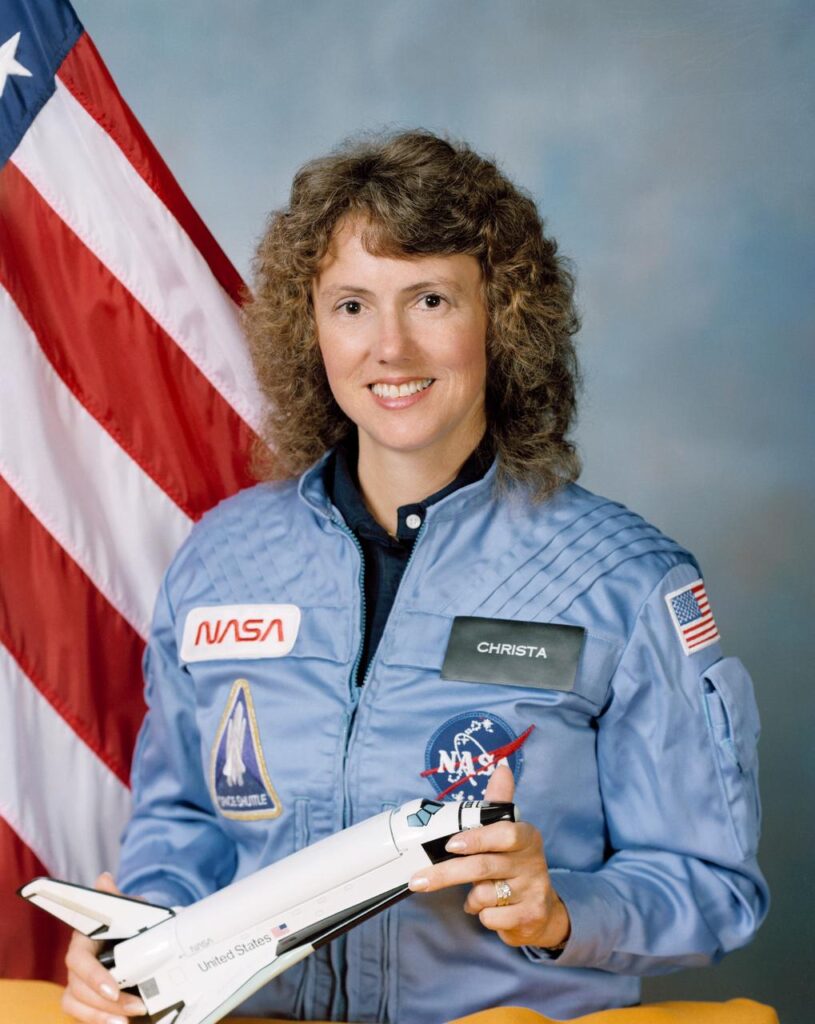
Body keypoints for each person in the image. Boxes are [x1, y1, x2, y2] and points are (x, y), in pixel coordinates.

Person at [62, 130, 768, 1024]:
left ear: (502, 318)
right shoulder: (223, 559)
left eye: (429, 299)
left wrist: (559, 910)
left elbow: (709, 883)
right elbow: (183, 826)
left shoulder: (620, 582)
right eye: (351, 306)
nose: (388, 347)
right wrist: (142, 942)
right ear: (309, 327)